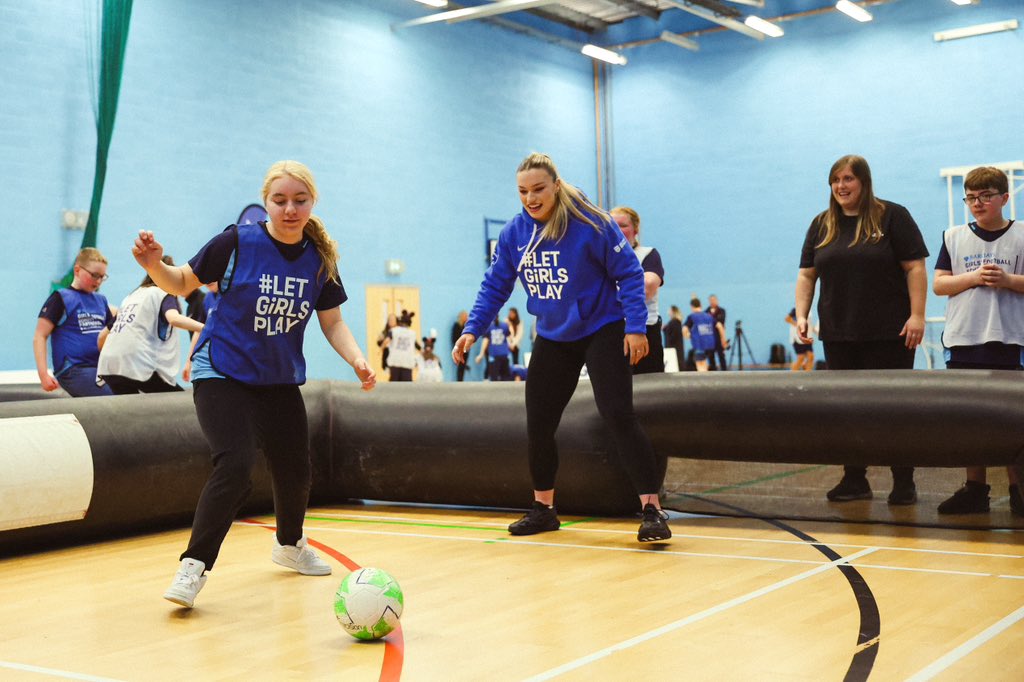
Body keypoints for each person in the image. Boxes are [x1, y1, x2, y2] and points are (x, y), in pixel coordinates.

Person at [132, 160, 376, 609]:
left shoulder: (320, 259)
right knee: (236, 464)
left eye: (299, 200)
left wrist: (357, 359)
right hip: (221, 369)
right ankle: (194, 565)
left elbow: (333, 322)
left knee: (295, 468)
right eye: (279, 200)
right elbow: (183, 282)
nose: (289, 209)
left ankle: (289, 545)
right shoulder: (236, 242)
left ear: (312, 203)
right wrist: (155, 264)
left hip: (277, 378)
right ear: (265, 202)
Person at [452, 152, 671, 543]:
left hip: (603, 327)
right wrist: (473, 329)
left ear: (555, 185)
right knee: (538, 422)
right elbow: (495, 285)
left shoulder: (592, 223)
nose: (531, 198)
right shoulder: (515, 234)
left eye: (538, 189)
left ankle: (652, 509)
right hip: (553, 334)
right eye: (523, 191)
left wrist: (635, 327)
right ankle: (543, 508)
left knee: (618, 414)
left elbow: (630, 274)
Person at [794, 154, 928, 505]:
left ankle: (904, 482)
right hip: (839, 334)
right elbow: (808, 273)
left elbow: (915, 267)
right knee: (847, 411)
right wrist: (802, 315)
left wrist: (917, 316)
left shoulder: (892, 216)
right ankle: (855, 479)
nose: (841, 186)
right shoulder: (822, 224)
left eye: (848, 178)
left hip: (891, 333)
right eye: (835, 179)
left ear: (864, 182)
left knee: (895, 411)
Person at [932, 167, 1024, 517]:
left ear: (1004, 197)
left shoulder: (1020, 235)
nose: (977, 203)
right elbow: (940, 285)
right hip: (965, 337)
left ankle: (1017, 488)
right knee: (969, 421)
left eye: (986, 196)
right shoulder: (954, 237)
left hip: (1008, 337)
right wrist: (971, 277)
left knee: (1011, 421)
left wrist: (1008, 279)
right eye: (970, 197)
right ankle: (975, 488)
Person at [97, 256, 204, 394]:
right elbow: (173, 319)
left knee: (132, 411)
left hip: (108, 365)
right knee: (175, 404)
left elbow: (101, 337)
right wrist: (205, 327)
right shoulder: (164, 292)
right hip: (136, 363)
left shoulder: (131, 297)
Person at [33, 247, 117, 397]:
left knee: (129, 394)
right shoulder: (61, 298)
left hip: (100, 368)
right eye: (94, 275)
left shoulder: (101, 300)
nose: (98, 281)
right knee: (112, 400)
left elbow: (112, 334)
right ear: (77, 270)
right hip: (74, 369)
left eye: (102, 277)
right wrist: (43, 374)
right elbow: (40, 336)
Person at [611, 206, 665, 375]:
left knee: (650, 389)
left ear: (635, 230)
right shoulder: (603, 257)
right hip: (612, 330)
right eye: (613, 225)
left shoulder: (647, 254)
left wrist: (607, 295)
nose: (617, 230)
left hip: (645, 329)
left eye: (623, 225)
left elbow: (647, 287)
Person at [684, 297, 725, 372]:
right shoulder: (709, 316)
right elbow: (720, 326)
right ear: (701, 305)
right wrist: (723, 340)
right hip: (710, 345)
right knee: (707, 363)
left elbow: (684, 329)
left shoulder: (692, 317)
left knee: (700, 365)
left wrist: (688, 336)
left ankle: (703, 381)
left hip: (699, 344)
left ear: (692, 307)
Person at [382, 310, 417, 382]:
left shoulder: (394, 331)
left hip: (395, 361)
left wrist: (381, 348)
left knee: (394, 385)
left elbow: (387, 340)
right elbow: (416, 345)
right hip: (407, 362)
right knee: (407, 386)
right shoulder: (412, 333)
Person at [475, 314, 513, 381]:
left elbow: (485, 341)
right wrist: (510, 345)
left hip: (495, 355)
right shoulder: (504, 325)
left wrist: (481, 354)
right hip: (504, 354)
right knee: (505, 378)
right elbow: (508, 337)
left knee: (494, 378)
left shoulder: (489, 327)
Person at [705, 295, 728, 371]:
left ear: (717, 300)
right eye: (711, 300)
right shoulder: (706, 312)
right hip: (709, 337)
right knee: (710, 356)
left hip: (718, 336)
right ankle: (713, 370)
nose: (713, 301)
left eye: (714, 300)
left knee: (721, 355)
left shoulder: (722, 311)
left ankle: (724, 370)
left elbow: (721, 322)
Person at [662, 305, 685, 372]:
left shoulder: (675, 322)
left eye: (669, 310)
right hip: (674, 347)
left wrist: (665, 329)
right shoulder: (675, 322)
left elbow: (673, 335)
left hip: (674, 347)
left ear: (673, 311)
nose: (668, 312)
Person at [450, 310, 472, 381]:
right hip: (459, 349)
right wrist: (457, 348)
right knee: (460, 366)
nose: (467, 317)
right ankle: (459, 381)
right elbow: (454, 338)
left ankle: (461, 380)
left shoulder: (466, 327)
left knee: (463, 365)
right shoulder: (456, 326)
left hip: (466, 349)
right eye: (465, 316)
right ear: (461, 317)